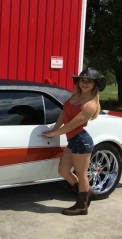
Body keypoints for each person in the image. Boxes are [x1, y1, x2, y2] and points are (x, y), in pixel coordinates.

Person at [42, 68, 106, 216]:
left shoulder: (90, 105)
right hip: (74, 141)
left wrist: (54, 134)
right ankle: (87, 192)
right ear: (78, 82)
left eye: (89, 81)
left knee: (82, 174)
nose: (84, 83)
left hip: (81, 141)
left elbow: (71, 126)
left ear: (95, 85)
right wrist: (53, 128)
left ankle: (82, 205)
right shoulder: (75, 97)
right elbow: (63, 114)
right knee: (63, 171)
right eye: (82, 80)